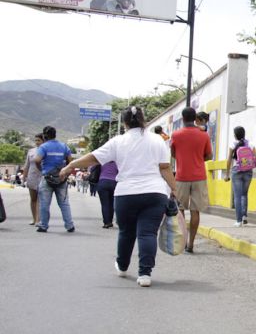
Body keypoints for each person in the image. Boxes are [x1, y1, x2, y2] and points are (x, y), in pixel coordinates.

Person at [60, 106, 176, 287]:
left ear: (125, 123)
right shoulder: (157, 140)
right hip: (155, 192)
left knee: (126, 232)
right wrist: (174, 189)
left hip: (126, 193)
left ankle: (122, 266)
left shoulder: (118, 141)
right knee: (147, 233)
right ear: (143, 119)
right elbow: (165, 168)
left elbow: (93, 158)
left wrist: (69, 166)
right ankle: (145, 274)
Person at [170, 107, 213, 253]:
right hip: (199, 177)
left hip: (181, 177)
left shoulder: (176, 135)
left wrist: (184, 159)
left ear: (182, 119)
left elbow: (173, 154)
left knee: (180, 210)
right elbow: (209, 156)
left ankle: (182, 240)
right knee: (195, 211)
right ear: (195, 119)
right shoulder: (204, 135)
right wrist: (198, 159)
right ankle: (191, 244)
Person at [34, 126, 74, 233]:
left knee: (44, 203)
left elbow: (36, 160)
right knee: (64, 203)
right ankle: (69, 225)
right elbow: (71, 161)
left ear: (44, 135)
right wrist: (66, 172)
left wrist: (41, 169)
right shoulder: (64, 146)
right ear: (55, 134)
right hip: (61, 178)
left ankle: (43, 225)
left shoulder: (44, 147)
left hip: (47, 178)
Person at [224, 126, 256, 227]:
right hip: (248, 172)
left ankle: (238, 221)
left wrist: (227, 174)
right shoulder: (250, 144)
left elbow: (229, 159)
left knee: (237, 196)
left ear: (235, 135)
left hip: (236, 172)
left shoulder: (233, 144)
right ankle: (244, 217)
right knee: (244, 194)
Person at [23, 133, 45, 225]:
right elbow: (26, 165)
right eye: (35, 140)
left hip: (42, 177)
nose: (36, 142)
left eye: (39, 140)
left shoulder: (45, 151)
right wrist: (24, 176)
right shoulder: (31, 151)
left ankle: (38, 220)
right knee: (33, 199)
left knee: (40, 199)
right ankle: (33, 218)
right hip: (32, 177)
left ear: (44, 141)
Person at [97, 162, 118, 228]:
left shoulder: (103, 161)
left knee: (104, 204)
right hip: (114, 183)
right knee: (112, 203)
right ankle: (110, 221)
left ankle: (106, 222)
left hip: (102, 182)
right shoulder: (117, 163)